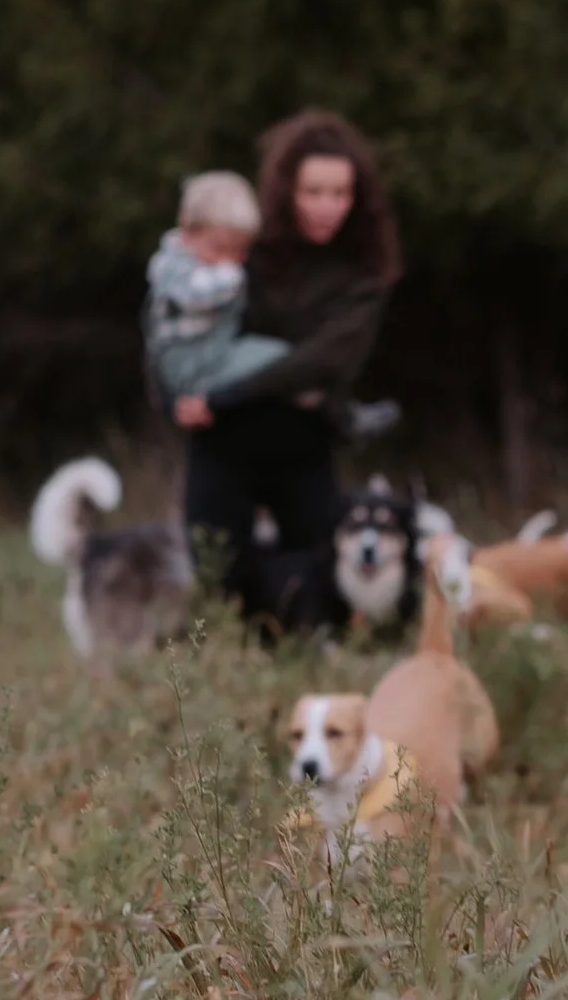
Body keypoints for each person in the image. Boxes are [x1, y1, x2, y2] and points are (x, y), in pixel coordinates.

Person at [168, 111, 400, 624]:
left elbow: (322, 361)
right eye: (313, 191)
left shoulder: (364, 271)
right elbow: (176, 320)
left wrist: (227, 392)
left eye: (340, 193)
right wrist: (172, 396)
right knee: (214, 592)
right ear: (284, 189)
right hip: (222, 445)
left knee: (316, 596)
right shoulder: (242, 246)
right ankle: (213, 695)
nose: (327, 206)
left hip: (304, 448)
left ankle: (311, 700)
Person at [142, 171, 290, 401]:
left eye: (240, 251)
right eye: (219, 249)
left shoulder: (188, 256)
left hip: (215, 354)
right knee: (283, 356)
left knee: (286, 357)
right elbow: (194, 294)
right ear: (187, 232)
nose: (230, 260)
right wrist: (233, 274)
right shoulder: (179, 272)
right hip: (195, 368)